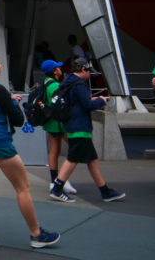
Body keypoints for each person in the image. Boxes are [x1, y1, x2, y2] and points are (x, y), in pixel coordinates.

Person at [0, 53, 59, 250]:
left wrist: (7, 101)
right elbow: (17, 119)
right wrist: (13, 103)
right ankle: (36, 234)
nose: (1, 64)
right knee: (23, 188)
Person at [48, 57, 125, 203]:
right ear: (83, 69)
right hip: (80, 127)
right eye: (89, 71)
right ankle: (57, 189)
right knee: (72, 159)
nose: (90, 74)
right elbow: (87, 104)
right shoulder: (79, 85)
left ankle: (105, 191)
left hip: (72, 125)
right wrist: (101, 100)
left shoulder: (67, 83)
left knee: (92, 159)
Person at [39, 59, 76, 195]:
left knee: (54, 150)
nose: (61, 69)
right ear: (54, 71)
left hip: (50, 122)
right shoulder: (54, 86)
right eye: (58, 67)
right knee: (74, 145)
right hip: (58, 122)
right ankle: (62, 179)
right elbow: (61, 104)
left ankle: (54, 180)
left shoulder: (46, 83)